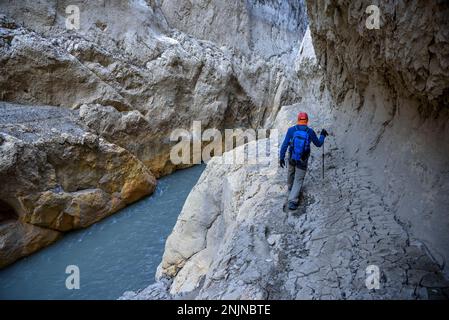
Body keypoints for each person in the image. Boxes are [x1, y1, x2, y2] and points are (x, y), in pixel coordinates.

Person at [279, 112, 328, 210]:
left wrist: (281, 157)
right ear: (307, 120)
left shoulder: (291, 130)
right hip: (303, 158)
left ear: (298, 119)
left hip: (292, 156)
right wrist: (322, 135)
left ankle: (290, 187)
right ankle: (292, 201)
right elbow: (318, 144)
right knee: (299, 179)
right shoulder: (310, 131)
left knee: (291, 171)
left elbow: (284, 144)